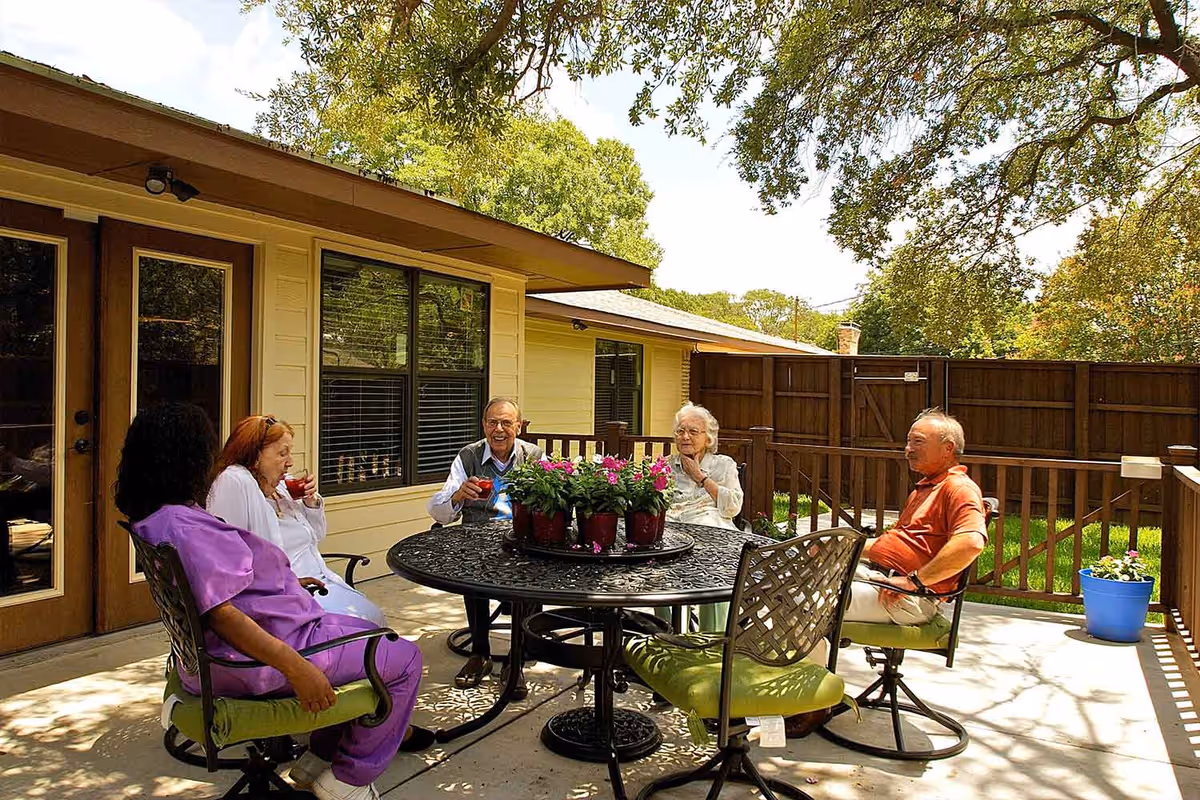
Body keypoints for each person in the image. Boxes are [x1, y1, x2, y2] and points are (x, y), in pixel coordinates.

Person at [116, 403, 427, 800]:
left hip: (263, 637)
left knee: (374, 631)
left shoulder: (161, 518)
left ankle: (318, 761)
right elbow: (223, 615)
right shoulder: (186, 525)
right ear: (186, 458)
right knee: (405, 659)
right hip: (253, 660)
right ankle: (348, 780)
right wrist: (297, 669)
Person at [207, 415, 386, 626]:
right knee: (369, 627)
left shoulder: (282, 489)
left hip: (320, 581)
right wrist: (289, 586)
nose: (290, 462)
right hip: (292, 595)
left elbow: (316, 536)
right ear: (254, 456)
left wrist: (310, 502)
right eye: (283, 453)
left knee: (375, 620)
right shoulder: (236, 482)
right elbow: (229, 560)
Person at [426, 397, 544, 697]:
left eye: (506, 422)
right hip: (477, 538)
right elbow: (438, 511)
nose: (499, 429)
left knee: (529, 574)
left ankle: (515, 659)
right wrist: (458, 497)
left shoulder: (533, 456)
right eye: (492, 422)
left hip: (520, 539)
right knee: (471, 570)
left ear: (519, 426)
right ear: (484, 425)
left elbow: (548, 503)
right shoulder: (468, 456)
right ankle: (480, 653)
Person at [847, 408, 988, 625]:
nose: (907, 449)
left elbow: (971, 542)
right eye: (908, 442)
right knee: (797, 584)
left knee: (802, 602)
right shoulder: (925, 489)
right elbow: (904, 545)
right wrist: (840, 546)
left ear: (948, 448)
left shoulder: (958, 488)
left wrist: (914, 581)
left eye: (917, 442)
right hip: (885, 580)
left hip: (909, 597)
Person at [663, 402, 745, 632]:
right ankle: (669, 635)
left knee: (716, 575)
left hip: (712, 540)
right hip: (673, 540)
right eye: (680, 431)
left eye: (693, 431)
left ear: (708, 438)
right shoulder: (666, 467)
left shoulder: (723, 465)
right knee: (661, 575)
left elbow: (733, 507)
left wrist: (700, 477)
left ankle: (712, 639)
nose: (685, 437)